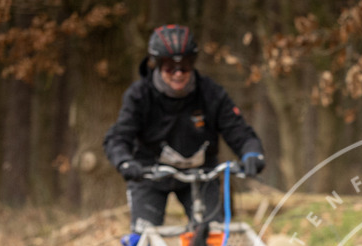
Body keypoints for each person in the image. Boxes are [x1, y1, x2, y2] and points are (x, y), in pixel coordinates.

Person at [104, 24, 266, 232]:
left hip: (201, 175)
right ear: (156, 65)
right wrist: (125, 162)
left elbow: (239, 131)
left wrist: (251, 153)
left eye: (185, 66)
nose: (178, 73)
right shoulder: (139, 96)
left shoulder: (211, 93)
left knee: (214, 233)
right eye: (170, 67)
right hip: (150, 175)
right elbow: (118, 137)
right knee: (144, 236)